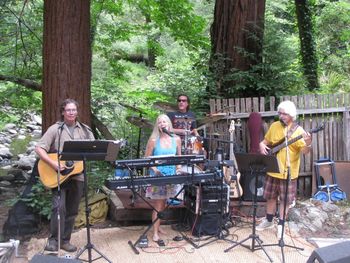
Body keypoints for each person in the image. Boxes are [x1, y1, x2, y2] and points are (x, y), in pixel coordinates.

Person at [35, 98, 94, 252]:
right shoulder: (55, 129)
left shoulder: (86, 130)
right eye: (68, 110)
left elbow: (94, 149)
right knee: (58, 208)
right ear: (63, 112)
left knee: (73, 210)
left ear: (77, 111)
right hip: (59, 175)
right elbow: (40, 148)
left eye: (73, 110)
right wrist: (53, 163)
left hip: (78, 175)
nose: (71, 112)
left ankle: (65, 240)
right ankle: (54, 240)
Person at [256, 100, 312, 239]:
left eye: (284, 114)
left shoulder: (298, 131)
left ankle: (281, 223)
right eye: (279, 113)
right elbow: (265, 142)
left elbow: (305, 151)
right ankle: (269, 220)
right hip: (272, 170)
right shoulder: (274, 126)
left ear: (291, 115)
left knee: (285, 200)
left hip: (289, 173)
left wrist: (309, 143)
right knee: (270, 197)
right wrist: (261, 145)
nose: (281, 116)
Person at [144, 114, 182, 245]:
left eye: (164, 121)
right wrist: (155, 169)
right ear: (157, 125)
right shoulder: (153, 140)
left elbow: (179, 158)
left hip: (171, 175)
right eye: (159, 122)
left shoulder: (176, 139)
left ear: (169, 124)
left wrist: (178, 169)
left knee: (164, 203)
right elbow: (147, 158)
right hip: (157, 175)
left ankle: (158, 226)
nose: (162, 124)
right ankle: (154, 233)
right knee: (158, 204)